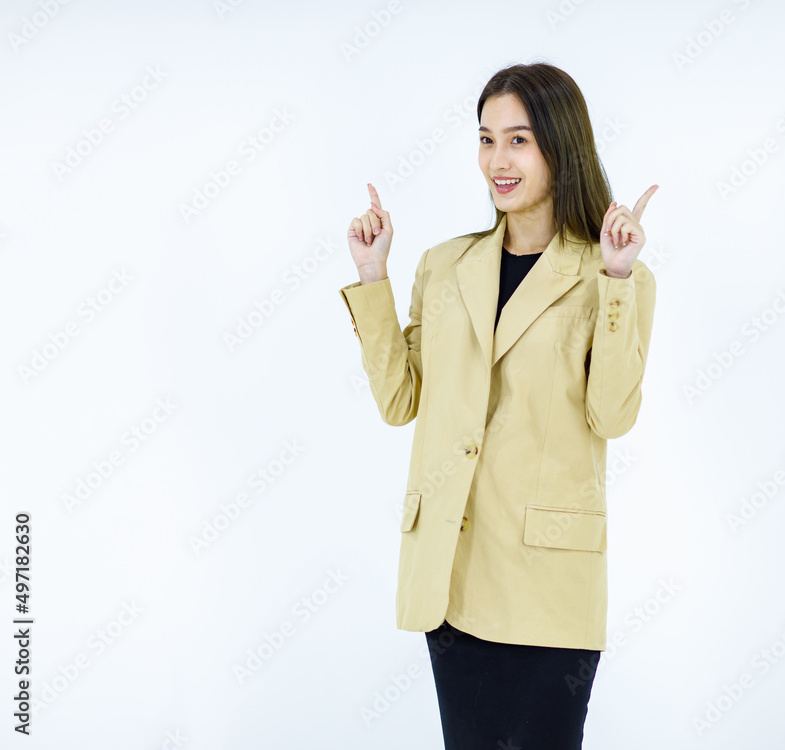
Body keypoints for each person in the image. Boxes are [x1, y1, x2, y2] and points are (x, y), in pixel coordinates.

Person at [339, 61, 657, 749]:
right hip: (452, 577)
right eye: (486, 139)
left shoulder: (613, 275)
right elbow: (400, 402)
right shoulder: (444, 266)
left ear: (559, 146)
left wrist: (618, 279)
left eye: (519, 140)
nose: (497, 160)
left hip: (548, 585)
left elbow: (613, 416)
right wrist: (373, 280)